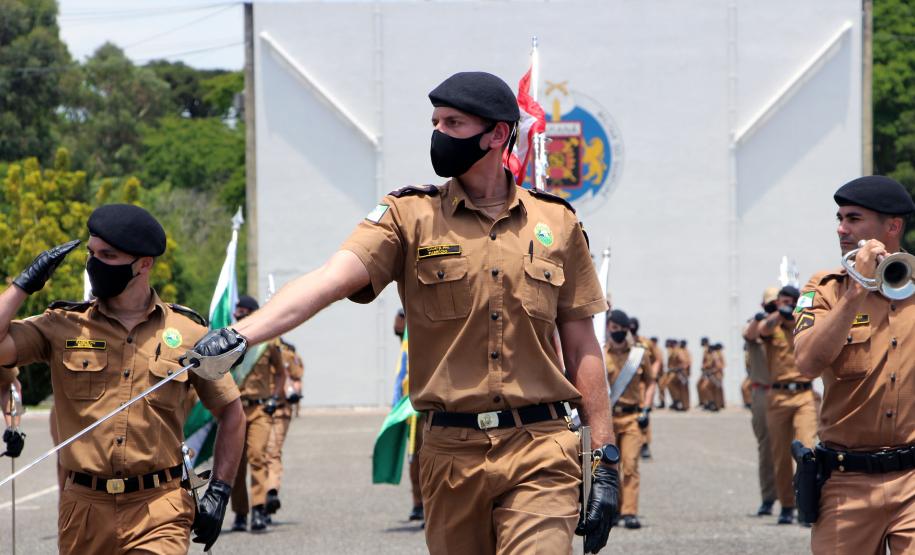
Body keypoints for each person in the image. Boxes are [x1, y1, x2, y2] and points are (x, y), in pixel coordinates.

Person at [188, 71, 620, 554]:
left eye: (453, 122)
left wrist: (603, 457)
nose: (438, 133)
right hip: (450, 455)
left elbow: (583, 345)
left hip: (541, 447)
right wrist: (241, 334)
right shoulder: (407, 217)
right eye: (434, 121)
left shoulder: (556, 222)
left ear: (498, 134)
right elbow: (328, 279)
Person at [0, 205, 244, 554]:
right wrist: (24, 285)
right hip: (84, 510)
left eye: (108, 255)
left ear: (144, 263)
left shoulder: (188, 332)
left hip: (159, 508)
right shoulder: (63, 325)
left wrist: (220, 490)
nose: (94, 263)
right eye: (91, 253)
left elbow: (231, 411)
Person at [794, 175, 915, 553]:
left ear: (892, 227)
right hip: (847, 482)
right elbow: (807, 363)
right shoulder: (825, 289)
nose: (841, 228)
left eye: (854, 218)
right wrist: (856, 289)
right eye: (840, 217)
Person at [745, 284, 817, 525]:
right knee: (780, 455)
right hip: (777, 396)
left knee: (807, 451)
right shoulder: (771, 326)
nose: (785, 305)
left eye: (789, 301)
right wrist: (778, 313)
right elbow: (758, 332)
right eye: (781, 301)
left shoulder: (805, 324)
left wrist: (795, 314)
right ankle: (786, 505)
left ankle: (806, 506)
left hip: (804, 395)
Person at [230, 295, 287, 533]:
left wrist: (275, 397)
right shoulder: (228, 340)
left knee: (257, 456)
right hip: (234, 410)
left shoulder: (268, 341)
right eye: (237, 311)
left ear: (253, 313)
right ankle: (241, 514)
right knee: (236, 465)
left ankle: (259, 510)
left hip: (260, 409)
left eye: (244, 311)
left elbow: (281, 373)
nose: (239, 314)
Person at [605, 310, 654, 529]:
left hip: (633, 416)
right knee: (610, 467)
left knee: (631, 464)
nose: (617, 333)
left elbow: (651, 381)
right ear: (608, 328)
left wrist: (646, 408)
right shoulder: (600, 354)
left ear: (627, 330)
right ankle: (614, 510)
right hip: (608, 419)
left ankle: (629, 512)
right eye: (614, 329)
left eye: (621, 330)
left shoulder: (639, 354)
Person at [743, 288, 777, 517]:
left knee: (801, 447)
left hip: (795, 391)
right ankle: (768, 498)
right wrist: (764, 318)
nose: (774, 309)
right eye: (770, 305)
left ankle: (797, 498)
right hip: (764, 393)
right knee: (767, 449)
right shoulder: (756, 325)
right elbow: (749, 334)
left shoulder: (794, 323)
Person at [264, 338, 304, 523]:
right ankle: (263, 498)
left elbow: (296, 377)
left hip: (279, 409)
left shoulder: (287, 351)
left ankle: (270, 492)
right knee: (261, 455)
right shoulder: (255, 348)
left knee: (271, 452)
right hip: (258, 409)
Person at [628, 317, 658, 460]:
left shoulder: (646, 343)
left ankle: (645, 444)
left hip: (642, 384)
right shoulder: (624, 342)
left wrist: (653, 373)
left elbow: (658, 358)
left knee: (644, 414)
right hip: (627, 384)